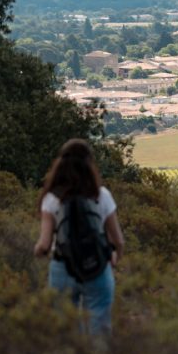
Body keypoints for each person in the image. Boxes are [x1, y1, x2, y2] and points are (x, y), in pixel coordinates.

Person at [34, 139, 124, 336]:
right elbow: (118, 240)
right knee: (99, 328)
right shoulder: (101, 195)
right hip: (97, 265)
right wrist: (115, 256)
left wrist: (38, 252)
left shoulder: (51, 199)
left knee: (65, 332)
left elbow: (44, 244)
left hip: (62, 266)